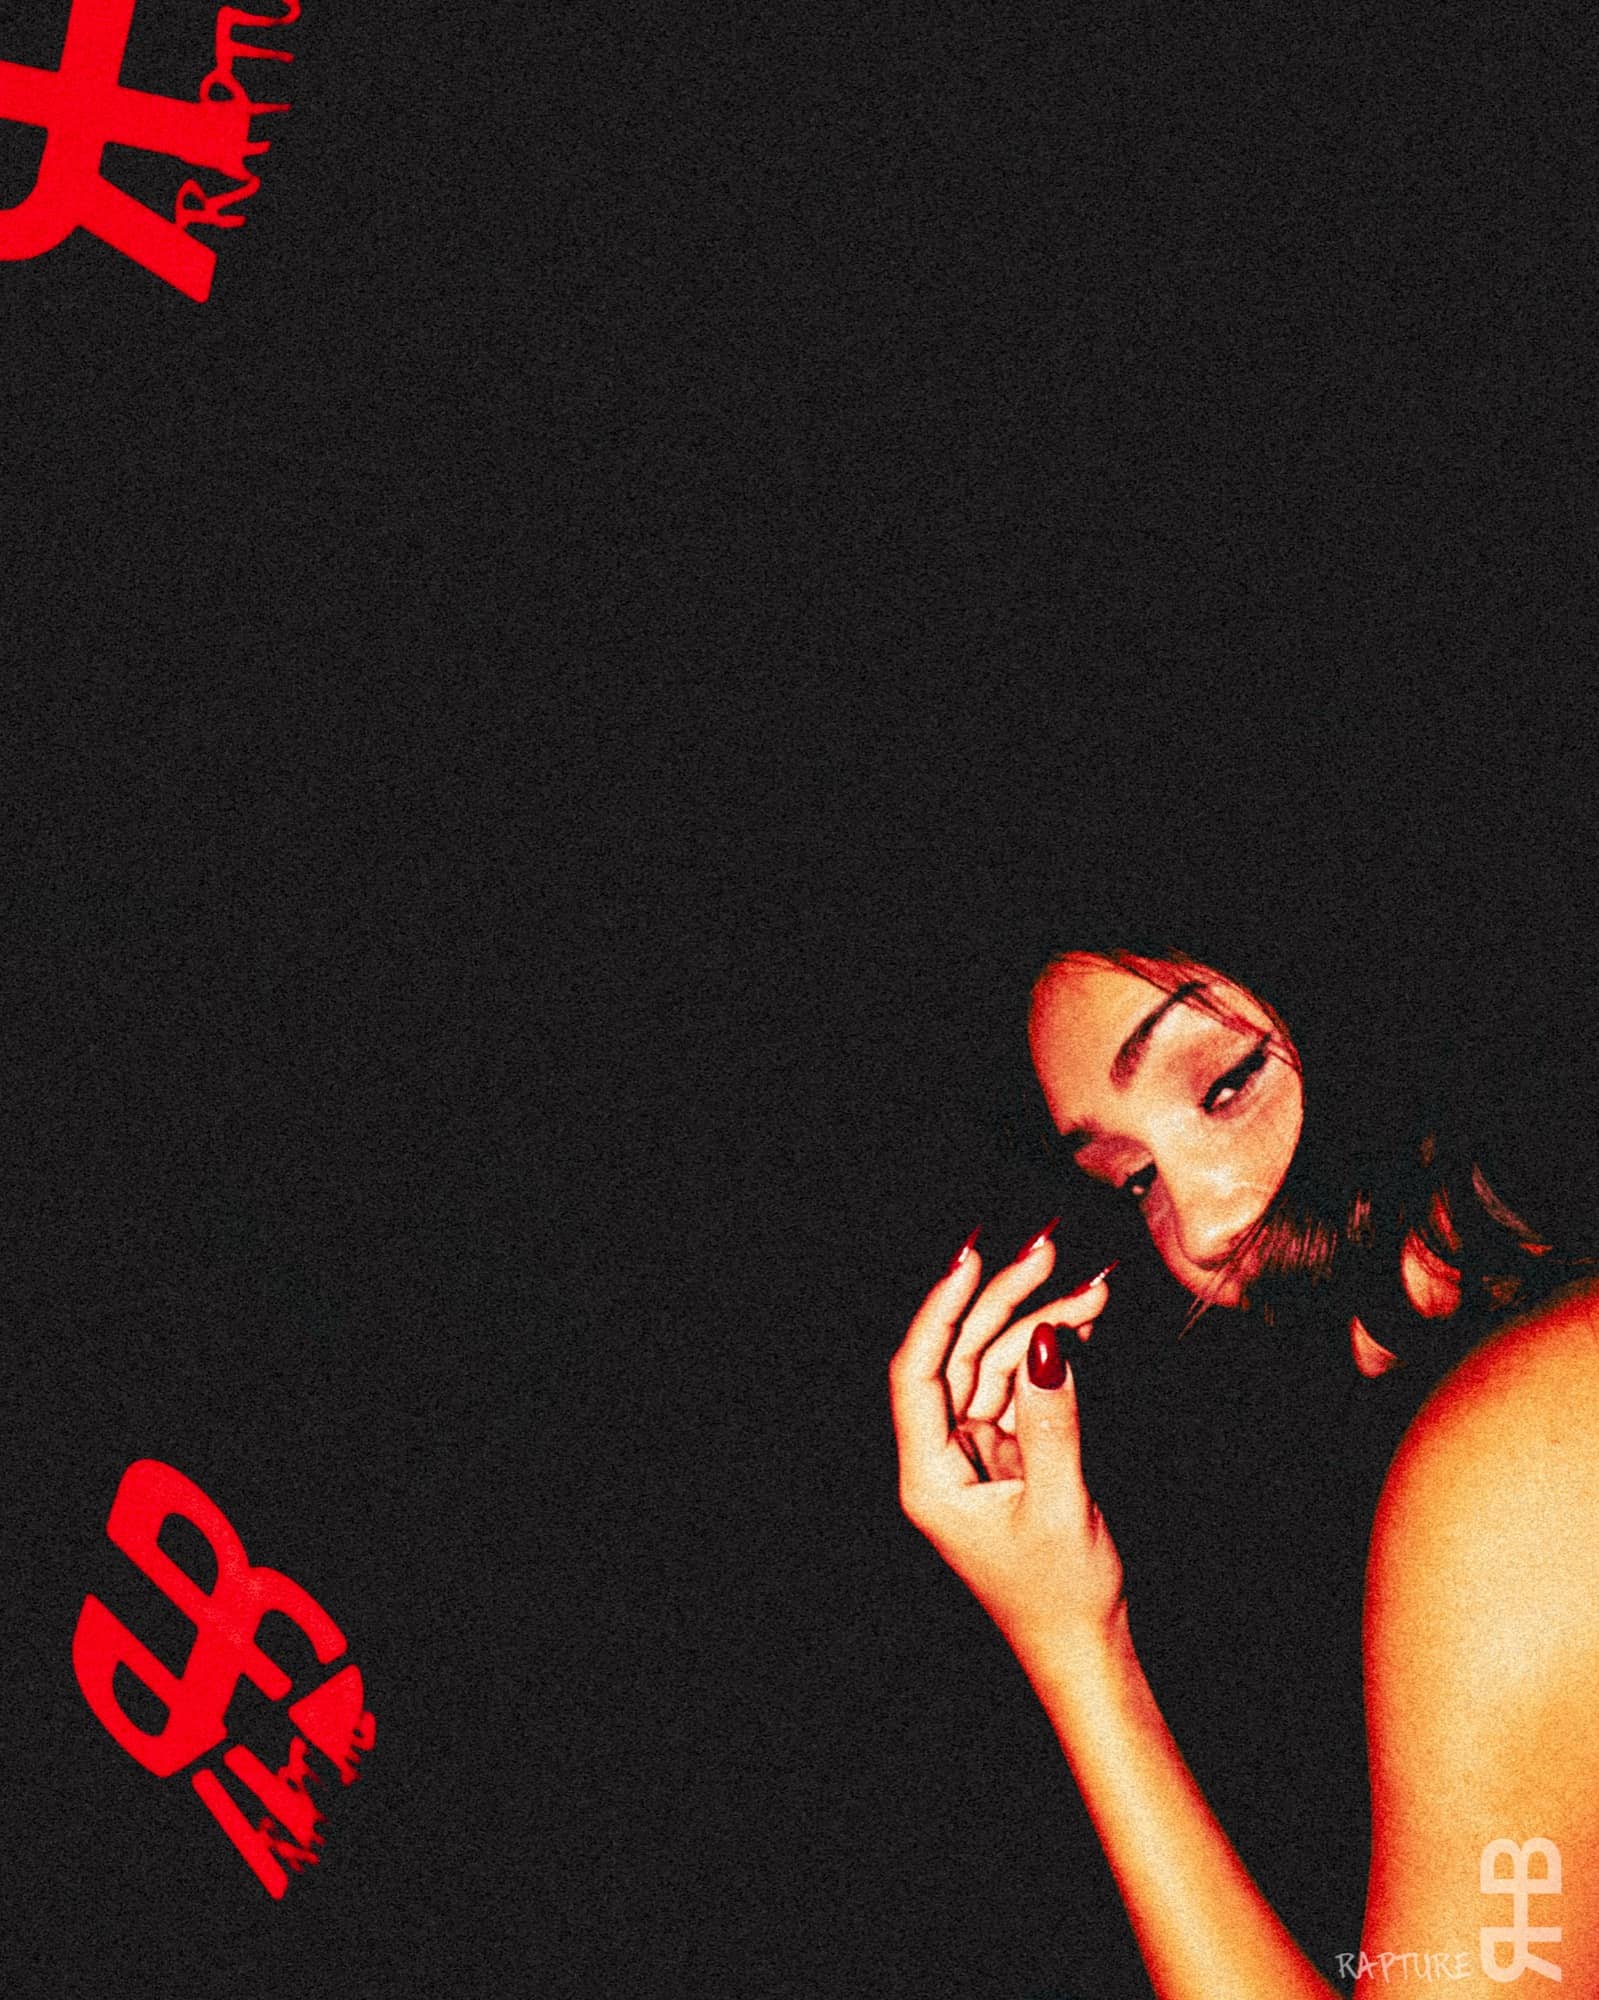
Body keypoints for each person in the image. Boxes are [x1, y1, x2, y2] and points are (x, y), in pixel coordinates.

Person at [889, 924, 1599, 1999]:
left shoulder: (1527, 1451)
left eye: (1226, 1086)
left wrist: (1075, 1649)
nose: (1201, 1230)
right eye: (1134, 1179)